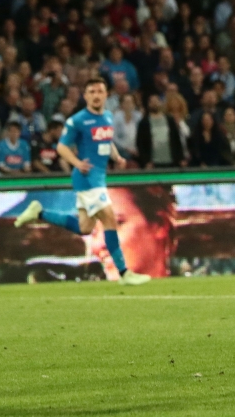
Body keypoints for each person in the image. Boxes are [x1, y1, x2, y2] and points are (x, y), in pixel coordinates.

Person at [13, 78, 151, 285]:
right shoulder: (77, 121)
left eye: (100, 91)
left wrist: (117, 157)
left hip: (98, 177)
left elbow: (106, 141)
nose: (96, 95)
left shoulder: (107, 117)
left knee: (85, 228)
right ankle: (124, 273)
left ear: (106, 95)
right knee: (109, 220)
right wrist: (77, 163)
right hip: (87, 179)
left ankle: (39, 212)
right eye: (91, 92)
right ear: (85, 96)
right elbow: (62, 147)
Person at [136, 94, 184, 168]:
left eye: (156, 101)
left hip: (171, 161)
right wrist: (146, 161)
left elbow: (176, 139)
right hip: (153, 163)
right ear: (149, 104)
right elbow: (140, 143)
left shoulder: (169, 120)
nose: (155, 104)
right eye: (152, 102)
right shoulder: (144, 123)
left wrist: (180, 158)